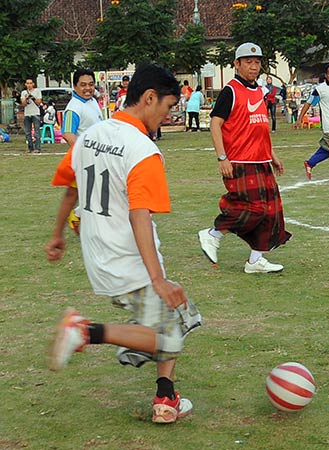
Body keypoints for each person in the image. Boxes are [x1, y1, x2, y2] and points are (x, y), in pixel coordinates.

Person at [44, 63, 201, 424]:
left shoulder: (91, 135)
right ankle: (84, 331)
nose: (169, 115)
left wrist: (57, 235)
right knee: (169, 337)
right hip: (129, 257)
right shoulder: (142, 149)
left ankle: (166, 398)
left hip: (98, 254)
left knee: (177, 315)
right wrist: (158, 277)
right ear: (149, 98)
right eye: (168, 106)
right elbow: (139, 214)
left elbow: (71, 187)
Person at [197, 42, 292, 273]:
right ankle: (213, 234)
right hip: (239, 161)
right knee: (255, 209)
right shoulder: (230, 91)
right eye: (248, 62)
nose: (253, 66)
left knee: (271, 211)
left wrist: (272, 155)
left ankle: (255, 260)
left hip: (260, 161)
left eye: (257, 62)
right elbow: (215, 124)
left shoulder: (258, 90)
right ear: (236, 64)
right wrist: (222, 157)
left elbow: (258, 127)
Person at [63, 69, 104, 147]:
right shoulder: (73, 109)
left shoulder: (92, 101)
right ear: (75, 86)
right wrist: (83, 153)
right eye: (83, 85)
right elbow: (67, 134)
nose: (88, 88)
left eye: (91, 84)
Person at [20, 78, 43, 153]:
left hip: (35, 113)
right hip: (27, 113)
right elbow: (23, 104)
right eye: (27, 83)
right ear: (25, 84)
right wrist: (26, 98)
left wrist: (33, 97)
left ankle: (38, 148)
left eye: (30, 83)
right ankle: (30, 148)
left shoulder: (37, 91)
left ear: (33, 84)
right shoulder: (24, 92)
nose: (29, 85)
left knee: (36, 131)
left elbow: (39, 102)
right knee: (27, 132)